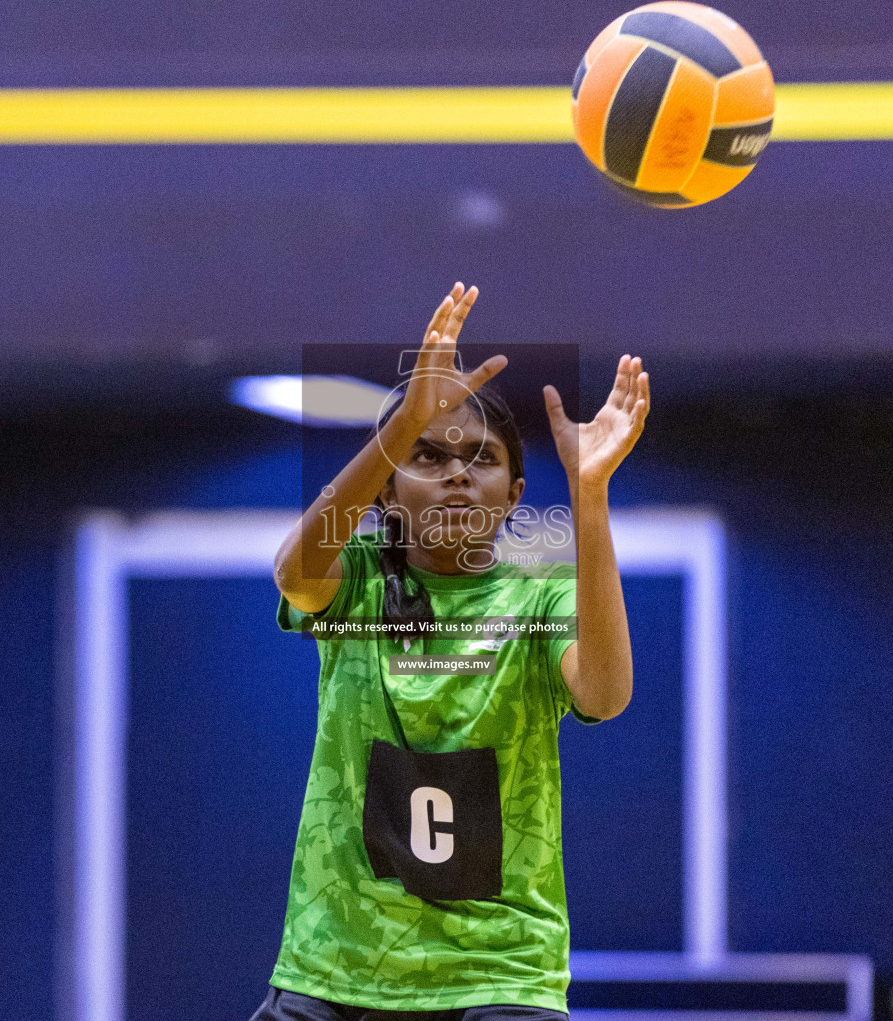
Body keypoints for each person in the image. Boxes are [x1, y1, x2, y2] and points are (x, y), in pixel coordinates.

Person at [255, 282, 651, 1019]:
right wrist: (402, 420)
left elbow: (605, 694)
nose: (459, 472)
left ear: (512, 495)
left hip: (499, 971)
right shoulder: (361, 581)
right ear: (388, 493)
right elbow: (294, 574)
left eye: (483, 459)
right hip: (336, 965)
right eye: (427, 456)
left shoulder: (542, 597)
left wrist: (589, 494)